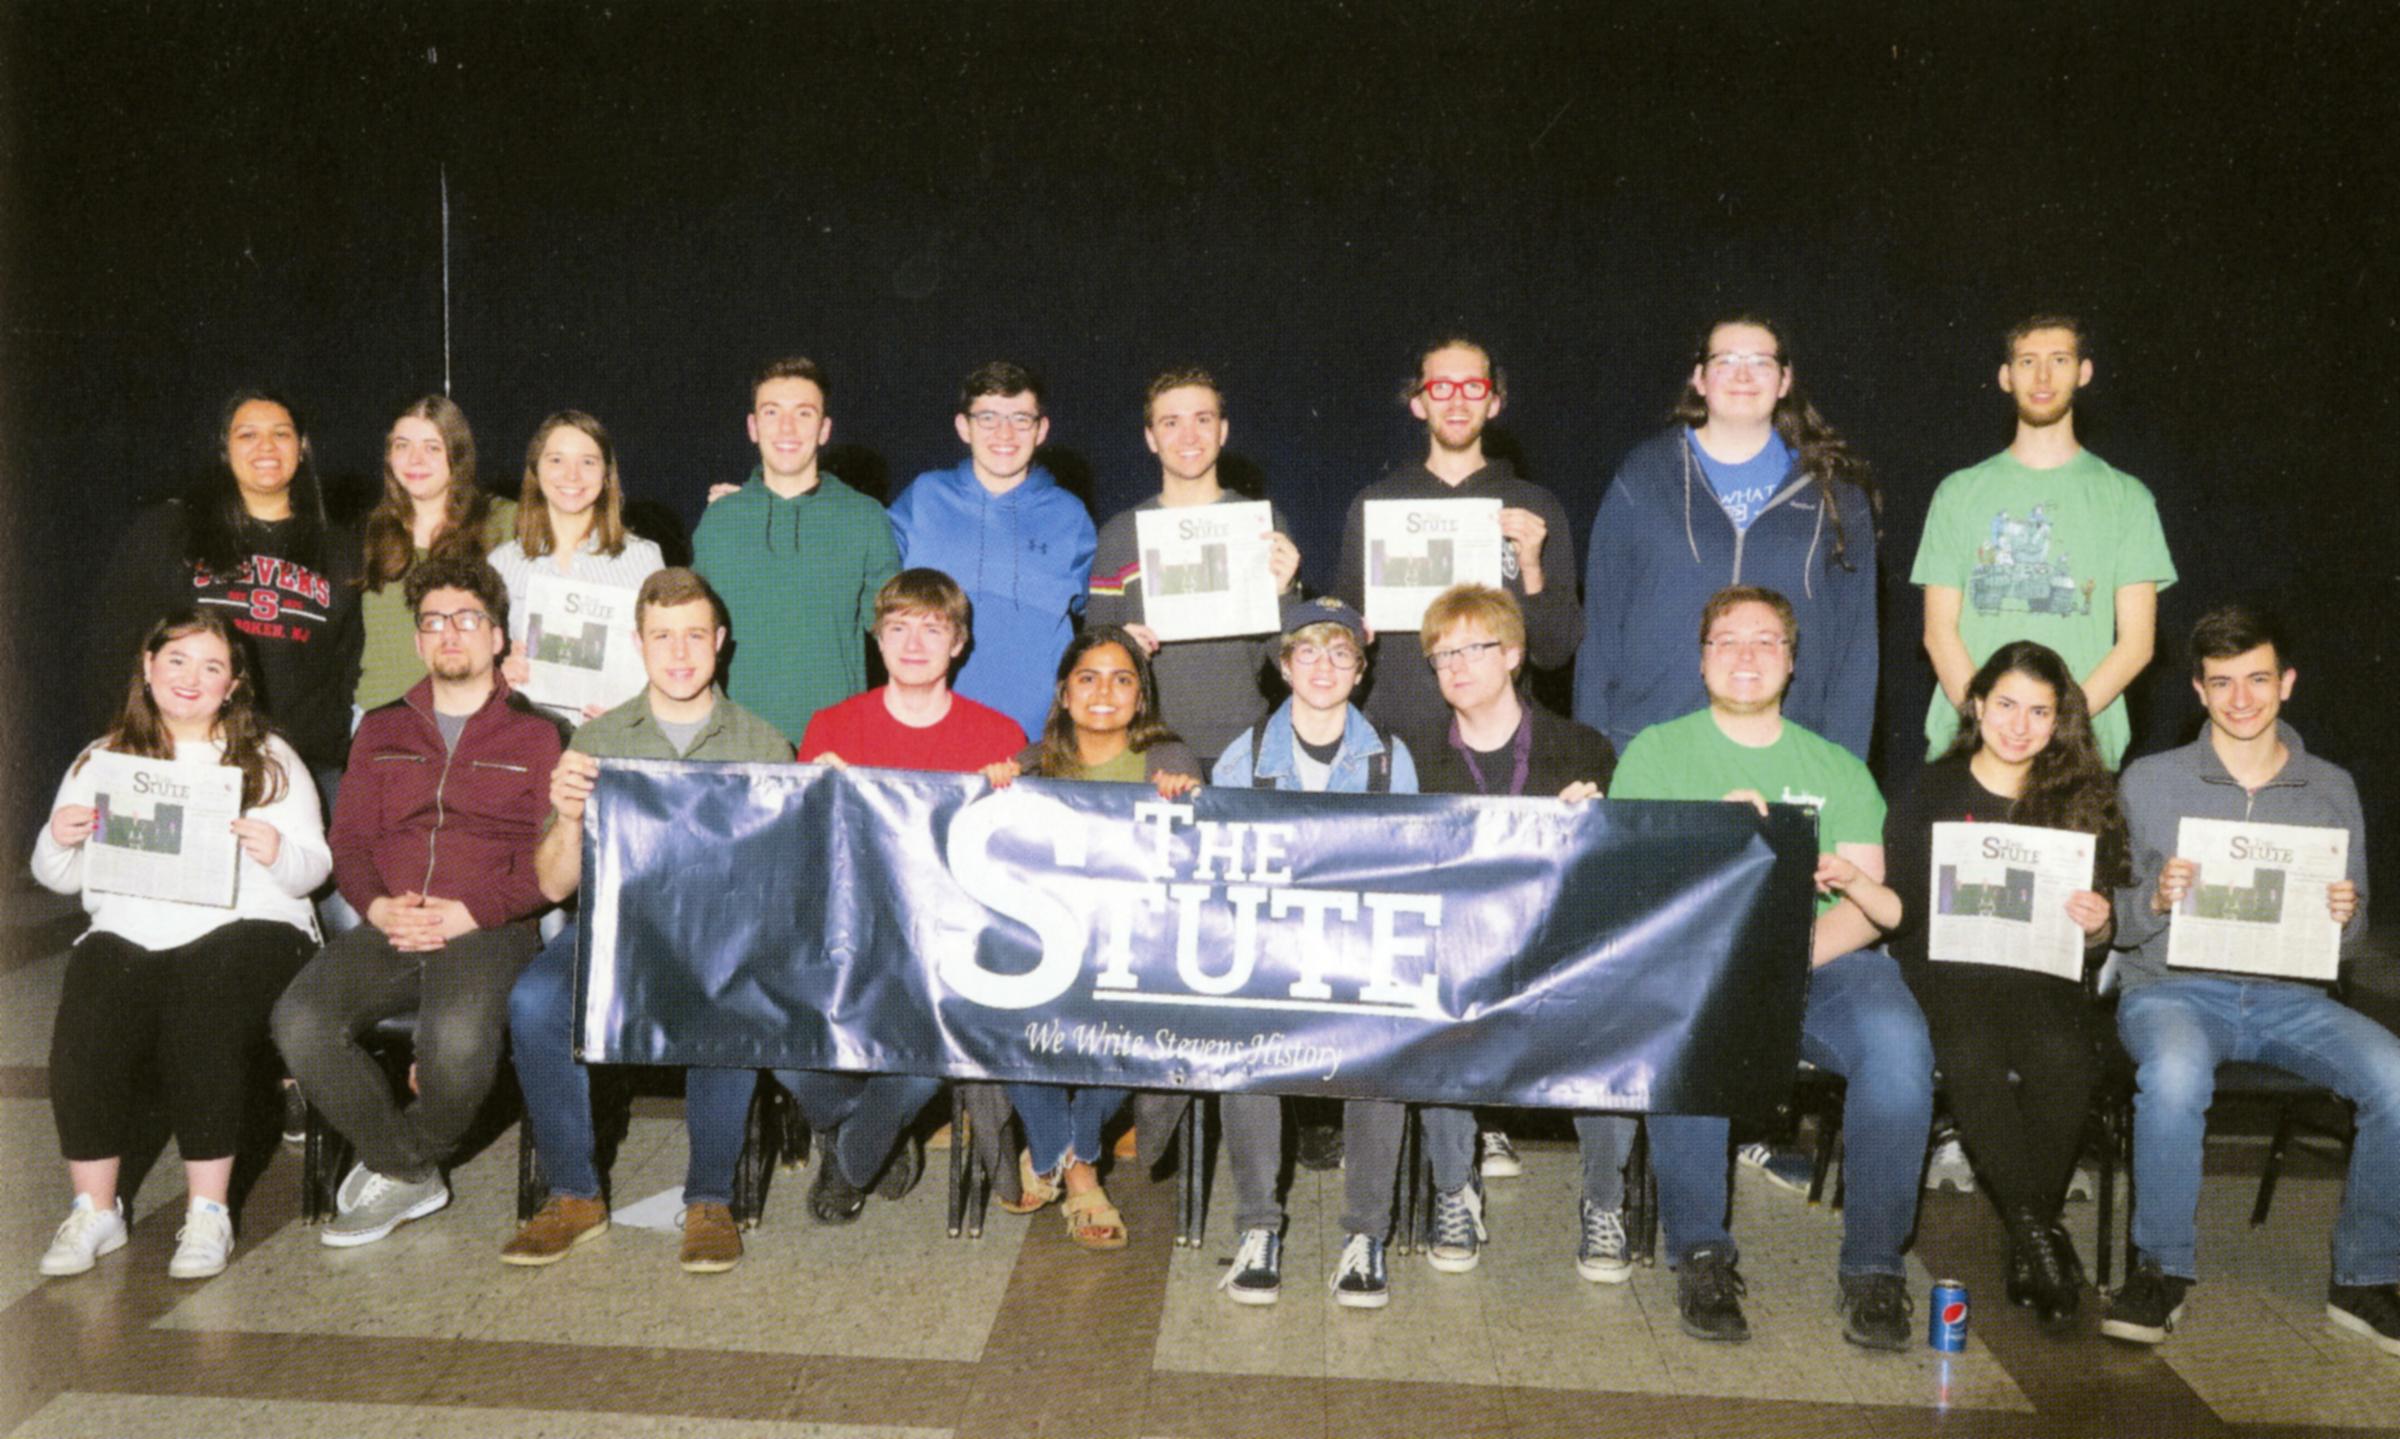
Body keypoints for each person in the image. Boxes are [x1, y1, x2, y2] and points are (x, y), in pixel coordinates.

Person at [1611, 586, 1934, 1350]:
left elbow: (1867, 902)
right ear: (1701, 661)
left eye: (1766, 640)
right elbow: (1628, 884)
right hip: (1700, 957)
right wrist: (1713, 833)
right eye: (1726, 639)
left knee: (1898, 1044)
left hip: (1824, 959)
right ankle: (1701, 1253)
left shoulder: (1838, 767)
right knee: (1687, 1021)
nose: (1746, 654)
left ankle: (1874, 1267)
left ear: (1792, 661)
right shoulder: (1656, 751)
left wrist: (1788, 959)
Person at [2102, 606, 2390, 1353]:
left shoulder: (2332, 788)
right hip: (2172, 990)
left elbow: (2352, 938)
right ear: (2198, 690)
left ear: (2286, 683)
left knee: (2397, 1077)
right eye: (2222, 682)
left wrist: (2345, 914)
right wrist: (2154, 898)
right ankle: (2161, 1270)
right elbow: (2113, 925)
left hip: (2292, 997)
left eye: (2257, 679)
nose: (2240, 699)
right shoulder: (2149, 781)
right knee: (2173, 1075)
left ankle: (2366, 1277)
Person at [500, 568, 792, 1273]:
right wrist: (570, 816)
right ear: (638, 643)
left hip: (718, 936)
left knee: (733, 990)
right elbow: (552, 883)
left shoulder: (764, 744)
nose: (679, 653)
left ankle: (711, 1198)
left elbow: (783, 884)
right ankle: (574, 1194)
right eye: (663, 637)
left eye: (694, 635)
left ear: (720, 641)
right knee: (535, 1000)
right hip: (615, 931)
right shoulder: (596, 737)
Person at [1831, 641, 2129, 1327]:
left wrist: (2098, 924)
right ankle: (2037, 1233)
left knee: (2065, 1059)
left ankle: (2029, 1236)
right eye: (2006, 705)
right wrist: (1858, 885)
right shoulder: (1932, 789)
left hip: (2036, 975)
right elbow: (1905, 910)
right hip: (1947, 971)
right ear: (1975, 705)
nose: (2020, 725)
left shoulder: (2080, 797)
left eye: (2039, 712)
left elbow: (2097, 939)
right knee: (1970, 1055)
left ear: (2059, 720)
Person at [271, 556, 561, 1248]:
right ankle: (407, 1167)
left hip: (490, 926)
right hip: (391, 922)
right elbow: (349, 841)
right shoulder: (380, 729)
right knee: (299, 1020)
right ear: (418, 640)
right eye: (433, 621)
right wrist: (376, 907)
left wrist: (473, 912)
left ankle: (400, 1162)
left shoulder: (538, 734)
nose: (449, 633)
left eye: (467, 619)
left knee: (455, 1044)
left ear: (498, 637)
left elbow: (551, 862)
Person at [34, 609, 329, 1281]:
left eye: (212, 666)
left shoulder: (268, 758)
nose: (192, 678)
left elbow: (312, 870)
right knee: (90, 996)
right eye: (177, 660)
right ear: (148, 666)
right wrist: (59, 838)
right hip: (135, 924)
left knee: (203, 1005)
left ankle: (208, 1211)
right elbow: (58, 877)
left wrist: (277, 849)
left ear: (233, 684)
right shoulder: (103, 759)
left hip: (252, 923)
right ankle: (95, 1208)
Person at [786, 568, 1029, 1223]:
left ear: (959, 642)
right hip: (846, 938)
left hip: (942, 951)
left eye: (932, 628)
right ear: (877, 639)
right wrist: (813, 797)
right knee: (772, 1033)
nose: (914, 643)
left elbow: (1010, 873)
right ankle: (877, 1128)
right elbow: (804, 859)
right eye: (897, 628)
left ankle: (854, 1158)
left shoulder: (999, 737)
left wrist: (1003, 800)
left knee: (928, 1053)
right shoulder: (832, 726)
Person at [1404, 586, 1621, 1283]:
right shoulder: (1414, 757)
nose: (1456, 666)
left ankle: (1604, 1202)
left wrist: (1589, 832)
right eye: (1442, 655)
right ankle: (1453, 1188)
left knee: (1618, 1012)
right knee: (1432, 1003)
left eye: (1473, 648)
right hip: (1459, 963)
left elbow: (1615, 886)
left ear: (1515, 655)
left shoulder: (1582, 750)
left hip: (1558, 964)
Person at [1208, 597, 1417, 1308]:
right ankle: (1257, 1228)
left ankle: (1366, 1235)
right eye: (1308, 652)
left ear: (1360, 671)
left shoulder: (1390, 758)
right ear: (1284, 666)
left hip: (1359, 956)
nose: (1324, 667)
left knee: (1383, 1050)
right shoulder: (1243, 756)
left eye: (1340, 654)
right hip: (1269, 956)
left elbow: (1409, 869)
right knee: (1245, 1047)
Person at [980, 626, 1202, 1249]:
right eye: (1088, 677)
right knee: (997, 997)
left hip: (1136, 952)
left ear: (1141, 695)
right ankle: (1075, 1161)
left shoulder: (1169, 761)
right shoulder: (1030, 763)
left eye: (1122, 679)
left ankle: (1063, 1154)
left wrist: (1190, 804)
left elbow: (1198, 860)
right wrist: (990, 789)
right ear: (1064, 693)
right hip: (1047, 950)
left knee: (1151, 1013)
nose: (1104, 692)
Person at [1576, 312, 1880, 760]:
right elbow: (1600, 628)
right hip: (1654, 746)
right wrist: (1591, 756)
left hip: (1789, 750)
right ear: (1699, 378)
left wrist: (1843, 768)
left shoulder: (1834, 492)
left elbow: (1856, 648)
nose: (1742, 375)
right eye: (1726, 361)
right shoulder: (1644, 477)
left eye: (1760, 362)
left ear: (1784, 380)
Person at [1915, 314, 2177, 769]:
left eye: (2059, 360)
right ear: (2005, 376)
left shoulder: (2127, 498)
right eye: (2027, 361)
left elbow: (2137, 644)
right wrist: (1991, 727)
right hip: (1971, 749)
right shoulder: (1958, 492)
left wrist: (2056, 729)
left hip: (2076, 753)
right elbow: (1939, 632)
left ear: (2083, 372)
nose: (2042, 377)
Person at [91, 388, 362, 786]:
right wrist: (131, 744)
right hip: (179, 761)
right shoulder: (169, 530)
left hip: (301, 770)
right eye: (248, 434)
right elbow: (114, 647)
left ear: (302, 448)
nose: (266, 446)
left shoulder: (341, 550)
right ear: (225, 448)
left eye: (281, 433)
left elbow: (349, 665)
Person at [1335, 335, 1581, 747]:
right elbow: (1344, 636)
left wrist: (1532, 568)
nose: (1457, 401)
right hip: (1397, 738)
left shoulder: (1535, 506)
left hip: (1497, 744)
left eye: (1473, 387)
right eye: (1441, 387)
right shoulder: (1376, 507)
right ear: (1418, 403)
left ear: (1494, 403)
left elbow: (1554, 653)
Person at [1087, 367, 1302, 763]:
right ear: (1151, 437)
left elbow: (1288, 660)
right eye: (1171, 423)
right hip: (1146, 745)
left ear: (1222, 430)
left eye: (1202, 419)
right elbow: (1091, 654)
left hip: (1243, 746)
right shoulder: (1119, 534)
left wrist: (1285, 595)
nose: (1189, 437)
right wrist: (1120, 646)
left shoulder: (1263, 526)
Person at [693, 357, 901, 747]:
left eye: (803, 413)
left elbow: (898, 635)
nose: (786, 428)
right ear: (753, 426)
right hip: (733, 746)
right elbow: (688, 638)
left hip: (834, 747)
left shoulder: (865, 517)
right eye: (772, 412)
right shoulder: (719, 520)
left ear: (824, 430)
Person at [890, 362, 1097, 739]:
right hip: (931, 733)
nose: (1005, 433)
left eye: (1021, 419)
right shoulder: (924, 497)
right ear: (963, 426)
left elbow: (1099, 616)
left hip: (1037, 740)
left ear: (1041, 430)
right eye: (987, 418)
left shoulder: (1070, 515)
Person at [488, 410, 665, 727]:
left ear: (607, 474)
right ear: (535, 469)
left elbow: (664, 657)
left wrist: (634, 712)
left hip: (614, 737)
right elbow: (479, 666)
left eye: (588, 462)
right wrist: (499, 675)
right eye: (556, 460)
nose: (572, 475)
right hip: (526, 735)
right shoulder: (502, 563)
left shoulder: (644, 559)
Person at [354, 395, 517, 712]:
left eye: (432, 447)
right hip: (380, 717)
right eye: (402, 445)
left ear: (458, 454)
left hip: (476, 717)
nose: (415, 460)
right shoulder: (367, 533)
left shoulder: (502, 522)